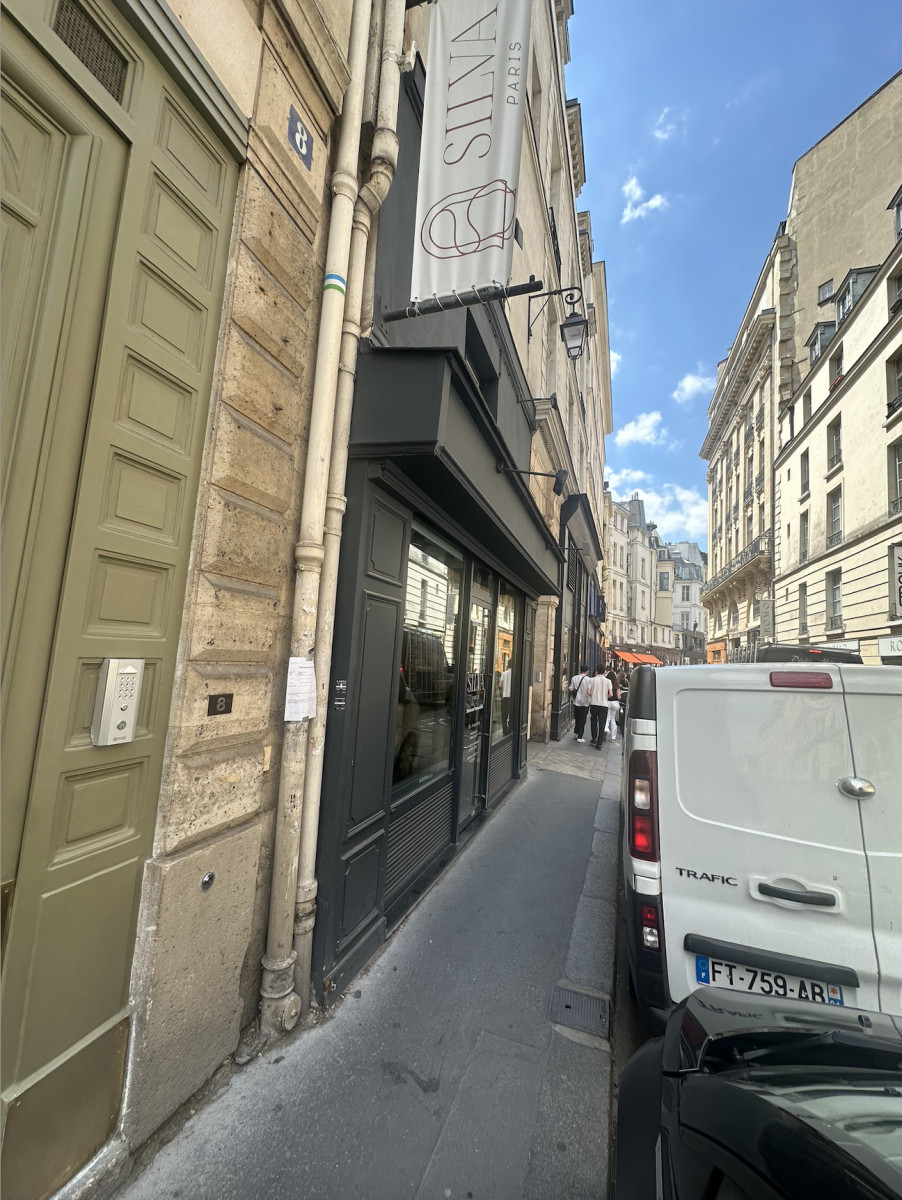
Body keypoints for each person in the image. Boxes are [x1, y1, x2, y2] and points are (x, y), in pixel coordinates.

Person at [588, 665, 612, 748]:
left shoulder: (592, 680)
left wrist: (593, 695)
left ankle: (594, 738)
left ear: (597, 671)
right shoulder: (608, 681)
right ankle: (600, 742)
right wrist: (605, 697)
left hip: (594, 703)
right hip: (604, 704)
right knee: (602, 724)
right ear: (604, 671)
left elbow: (588, 692)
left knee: (593, 721)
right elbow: (611, 694)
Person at [569, 662, 591, 741]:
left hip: (576, 701)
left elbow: (570, 688)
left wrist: (575, 691)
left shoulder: (574, 678)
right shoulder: (589, 680)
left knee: (577, 718)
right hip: (585, 701)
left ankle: (577, 733)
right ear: (587, 671)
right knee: (583, 719)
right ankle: (580, 736)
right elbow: (590, 691)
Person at [605, 667, 620, 742]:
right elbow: (619, 697)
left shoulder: (606, 684)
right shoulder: (616, 685)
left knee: (607, 718)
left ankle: (605, 731)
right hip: (615, 703)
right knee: (613, 720)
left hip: (607, 702)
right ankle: (613, 738)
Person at [499, 664, 512, 734]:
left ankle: (505, 730)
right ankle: (510, 729)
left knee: (504, 714)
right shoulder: (514, 674)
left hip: (504, 696)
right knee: (511, 713)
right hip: (511, 697)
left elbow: (500, 685)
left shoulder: (504, 673)